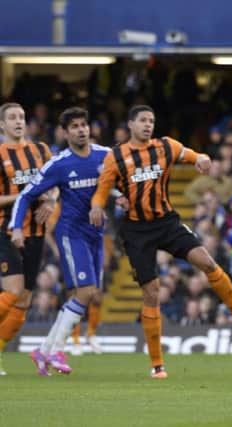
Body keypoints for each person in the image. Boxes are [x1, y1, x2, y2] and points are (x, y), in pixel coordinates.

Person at [89, 105, 232, 378]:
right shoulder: (117, 157)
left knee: (206, 262)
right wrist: (97, 206)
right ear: (131, 124)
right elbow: (102, 191)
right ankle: (157, 366)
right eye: (143, 121)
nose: (148, 125)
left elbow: (193, 155)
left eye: (152, 120)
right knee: (152, 292)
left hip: (167, 222)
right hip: (136, 231)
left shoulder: (165, 146)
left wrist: (202, 158)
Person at [10, 107, 112, 375]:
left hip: (96, 235)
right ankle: (56, 350)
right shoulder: (59, 164)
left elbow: (118, 181)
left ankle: (43, 351)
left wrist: (121, 195)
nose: (81, 130)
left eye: (84, 125)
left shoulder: (105, 156)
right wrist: (16, 227)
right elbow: (25, 195)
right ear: (65, 133)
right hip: (71, 232)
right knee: (85, 292)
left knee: (89, 294)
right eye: (75, 126)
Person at [0, 102, 55, 375]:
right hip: (6, 230)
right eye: (12, 118)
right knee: (12, 291)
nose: (18, 121)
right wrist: (25, 196)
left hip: (36, 232)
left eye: (22, 116)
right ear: (2, 125)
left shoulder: (42, 150)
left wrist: (52, 201)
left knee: (23, 301)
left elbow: (55, 182)